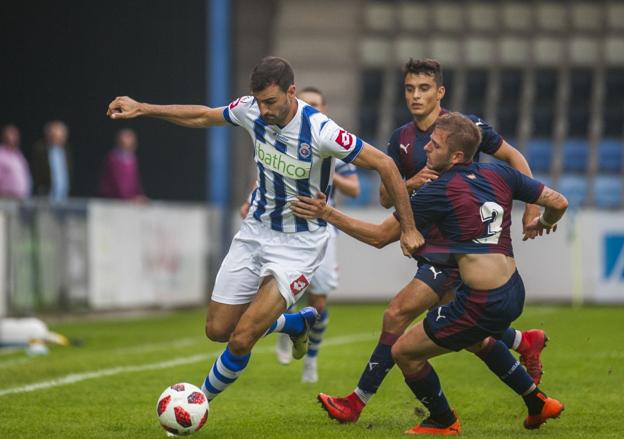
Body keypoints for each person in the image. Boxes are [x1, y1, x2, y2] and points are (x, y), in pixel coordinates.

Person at [107, 56, 422, 403]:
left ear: (291, 92)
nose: (264, 110)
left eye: (271, 102)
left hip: (300, 245)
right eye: (259, 101)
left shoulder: (321, 131)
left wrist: (408, 228)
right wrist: (143, 108)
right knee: (218, 330)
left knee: (242, 338)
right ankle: (295, 323)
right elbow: (203, 115)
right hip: (255, 233)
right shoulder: (251, 110)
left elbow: (386, 164)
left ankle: (199, 403)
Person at [292, 112, 567, 434]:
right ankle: (537, 399)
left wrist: (327, 213)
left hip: (479, 300)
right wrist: (542, 223)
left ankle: (443, 420)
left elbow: (379, 236)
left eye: (435, 147)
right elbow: (558, 202)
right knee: (476, 339)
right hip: (513, 290)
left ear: (457, 156)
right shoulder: (499, 174)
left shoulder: (438, 191)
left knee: (405, 352)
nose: (427, 151)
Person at [270, 87, 360, 383]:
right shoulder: (283, 138)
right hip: (285, 228)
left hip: (321, 231)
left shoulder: (333, 143)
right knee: (282, 292)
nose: (311, 108)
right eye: (306, 103)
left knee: (318, 303)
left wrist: (325, 169)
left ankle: (311, 360)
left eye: (316, 104)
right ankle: (287, 332)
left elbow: (354, 188)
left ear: (324, 108)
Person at [30, 120, 73, 201]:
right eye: (54, 134)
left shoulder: (66, 151)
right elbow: (36, 171)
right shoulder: (40, 150)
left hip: (63, 196)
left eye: (61, 135)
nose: (57, 137)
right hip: (45, 195)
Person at [99, 128, 146, 200]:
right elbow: (116, 182)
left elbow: (135, 181)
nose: (129, 140)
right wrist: (129, 198)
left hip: (129, 200)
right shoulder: (113, 158)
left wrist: (139, 195)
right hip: (113, 200)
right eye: (127, 137)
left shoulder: (133, 158)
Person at [0, 124, 31, 199]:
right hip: (5, 198)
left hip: (21, 197)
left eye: (14, 135)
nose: (12, 138)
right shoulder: (1, 154)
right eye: (9, 135)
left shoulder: (18, 154)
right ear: (3, 137)